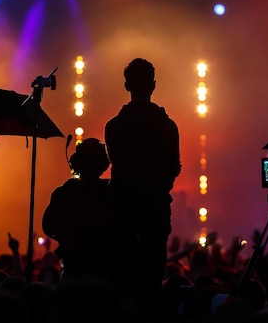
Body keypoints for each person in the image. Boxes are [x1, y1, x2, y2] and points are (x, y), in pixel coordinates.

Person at [104, 57, 182, 319]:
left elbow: (116, 162)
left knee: (121, 282)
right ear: (154, 85)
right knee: (151, 285)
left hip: (122, 213)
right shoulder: (168, 126)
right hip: (155, 212)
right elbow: (173, 168)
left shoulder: (113, 127)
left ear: (127, 85)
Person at [42, 137, 113, 282]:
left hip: (73, 269)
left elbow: (48, 226)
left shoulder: (63, 193)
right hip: (103, 272)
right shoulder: (110, 192)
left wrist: (67, 238)